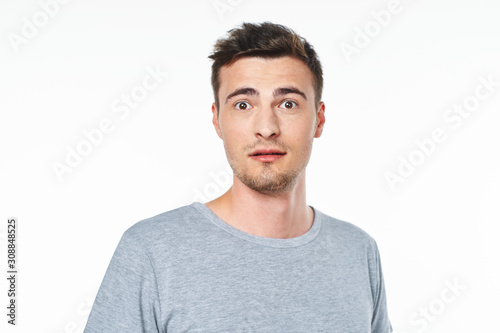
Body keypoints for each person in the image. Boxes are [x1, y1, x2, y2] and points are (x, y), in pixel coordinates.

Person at [84, 22, 392, 332]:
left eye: (288, 103)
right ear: (217, 120)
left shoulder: (358, 251)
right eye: (243, 104)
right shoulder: (151, 252)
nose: (267, 127)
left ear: (319, 119)